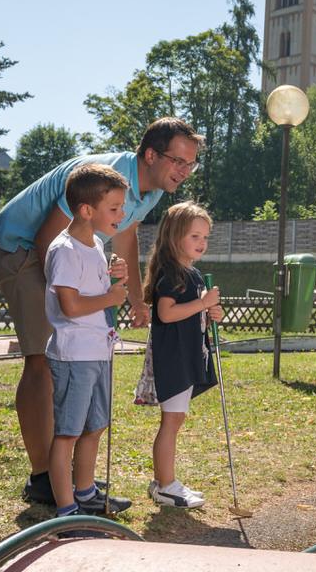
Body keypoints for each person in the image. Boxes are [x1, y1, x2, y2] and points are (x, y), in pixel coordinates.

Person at [0, 117, 203, 505]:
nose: (185, 172)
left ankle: (74, 480)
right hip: (23, 249)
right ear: (151, 155)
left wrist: (136, 298)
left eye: (191, 164)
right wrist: (72, 303)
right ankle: (43, 477)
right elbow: (50, 239)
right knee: (44, 359)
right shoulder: (105, 177)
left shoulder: (151, 190)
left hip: (64, 255)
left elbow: (125, 236)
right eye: (178, 161)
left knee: (69, 363)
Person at [43, 164, 132, 515]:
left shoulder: (95, 243)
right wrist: (110, 297)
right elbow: (70, 307)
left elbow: (95, 291)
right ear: (86, 210)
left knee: (95, 426)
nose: (122, 214)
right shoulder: (64, 250)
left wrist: (114, 278)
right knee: (68, 433)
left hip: (98, 351)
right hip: (73, 356)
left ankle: (85, 492)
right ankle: (66, 510)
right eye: (114, 208)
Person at [140, 201, 223, 508]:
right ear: (175, 237)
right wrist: (202, 304)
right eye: (194, 236)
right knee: (172, 420)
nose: (202, 243)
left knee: (176, 418)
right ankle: (165, 485)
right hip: (173, 357)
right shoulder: (171, 275)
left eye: (205, 237)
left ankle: (164, 481)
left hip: (187, 355)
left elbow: (193, 314)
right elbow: (166, 313)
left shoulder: (193, 274)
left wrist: (211, 313)